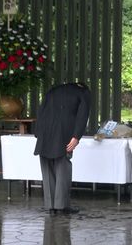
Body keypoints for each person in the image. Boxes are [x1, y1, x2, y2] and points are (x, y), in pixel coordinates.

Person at [34, 82, 90, 215]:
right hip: (63, 133)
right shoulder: (83, 92)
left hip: (45, 133)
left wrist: (39, 134)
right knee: (62, 168)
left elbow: (41, 112)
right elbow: (83, 114)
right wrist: (76, 136)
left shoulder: (53, 90)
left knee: (47, 169)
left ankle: (51, 207)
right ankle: (61, 206)